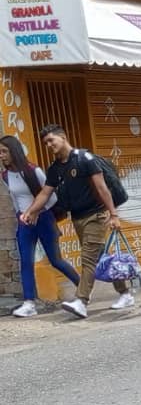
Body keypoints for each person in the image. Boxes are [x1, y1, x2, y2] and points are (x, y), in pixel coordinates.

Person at [20, 124, 134, 318]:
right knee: (97, 257)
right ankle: (125, 293)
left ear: (63, 137)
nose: (49, 145)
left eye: (51, 140)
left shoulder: (84, 159)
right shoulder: (55, 168)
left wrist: (113, 214)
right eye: (45, 142)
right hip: (78, 218)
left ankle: (81, 301)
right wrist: (30, 211)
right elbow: (45, 193)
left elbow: (102, 188)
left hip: (96, 216)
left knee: (88, 259)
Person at [0, 136, 81, 317]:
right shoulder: (5, 175)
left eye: (4, 151)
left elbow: (50, 196)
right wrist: (20, 215)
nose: (1, 156)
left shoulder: (32, 170)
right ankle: (29, 303)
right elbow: (15, 199)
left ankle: (83, 287)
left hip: (43, 218)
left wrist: (35, 211)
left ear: (14, 151)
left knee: (55, 260)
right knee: (25, 262)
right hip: (24, 222)